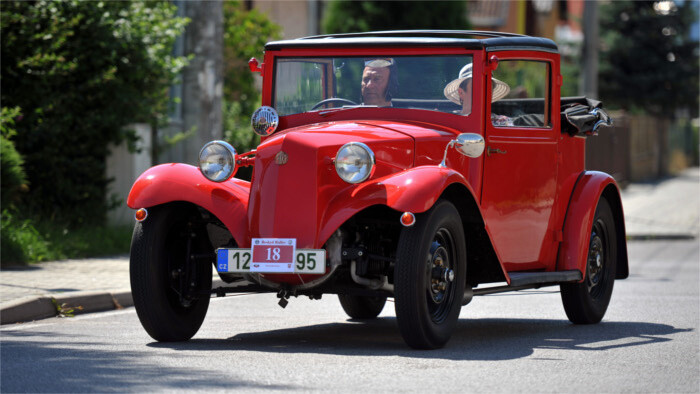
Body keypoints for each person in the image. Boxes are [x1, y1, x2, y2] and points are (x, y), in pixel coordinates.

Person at [443, 63, 513, 126]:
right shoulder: (448, 121)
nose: (483, 92)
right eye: (477, 87)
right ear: (461, 92)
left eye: (488, 88)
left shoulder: (503, 122)